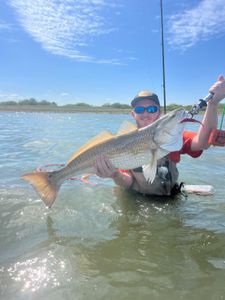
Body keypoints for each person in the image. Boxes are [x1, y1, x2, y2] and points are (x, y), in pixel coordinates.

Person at [94, 75, 225, 196]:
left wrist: (212, 104)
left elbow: (202, 143)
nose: (145, 113)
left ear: (159, 112)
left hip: (170, 197)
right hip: (138, 200)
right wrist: (115, 175)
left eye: (151, 109)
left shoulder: (173, 137)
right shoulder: (122, 143)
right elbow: (128, 182)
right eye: (140, 109)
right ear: (133, 114)